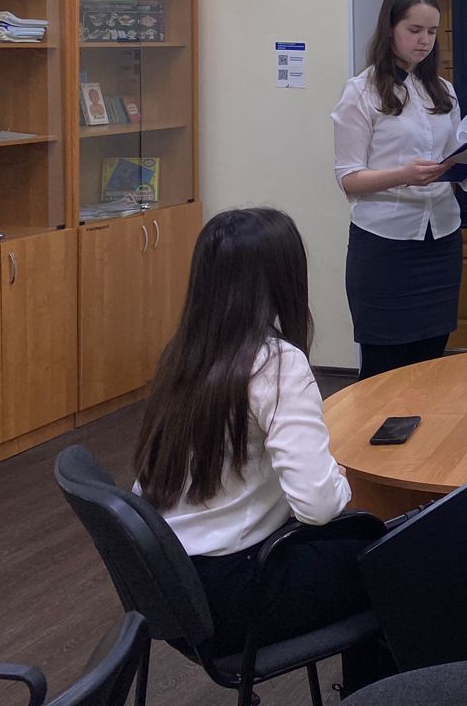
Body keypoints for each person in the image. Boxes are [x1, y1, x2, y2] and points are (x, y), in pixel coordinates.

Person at [131, 208, 386, 686]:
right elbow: (318, 507)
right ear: (284, 279)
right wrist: (338, 480)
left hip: (174, 592)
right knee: (400, 554)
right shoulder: (275, 363)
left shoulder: (182, 352)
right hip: (237, 598)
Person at [332, 0, 467, 379]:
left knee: (430, 365)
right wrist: (404, 176)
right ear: (390, 29)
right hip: (385, 244)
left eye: (432, 32)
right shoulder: (361, 92)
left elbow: (454, 153)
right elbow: (349, 178)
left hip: (441, 238)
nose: (424, 40)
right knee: (384, 369)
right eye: (414, 30)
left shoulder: (443, 90)